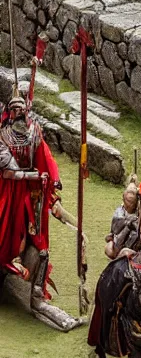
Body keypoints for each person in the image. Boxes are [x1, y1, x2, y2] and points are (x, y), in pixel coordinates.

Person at [0, 94, 82, 329]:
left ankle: (37, 297)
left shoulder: (35, 132)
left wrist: (53, 181)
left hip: (33, 194)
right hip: (9, 193)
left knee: (41, 246)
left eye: (21, 109)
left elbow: (44, 156)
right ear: (9, 113)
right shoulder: (2, 137)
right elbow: (9, 173)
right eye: (14, 110)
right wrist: (35, 175)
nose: (19, 113)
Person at [105, 175, 141, 259]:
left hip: (134, 244)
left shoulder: (140, 212)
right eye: (128, 200)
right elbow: (116, 231)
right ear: (123, 199)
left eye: (132, 201)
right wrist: (128, 224)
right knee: (111, 250)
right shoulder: (119, 213)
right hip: (119, 243)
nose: (130, 203)